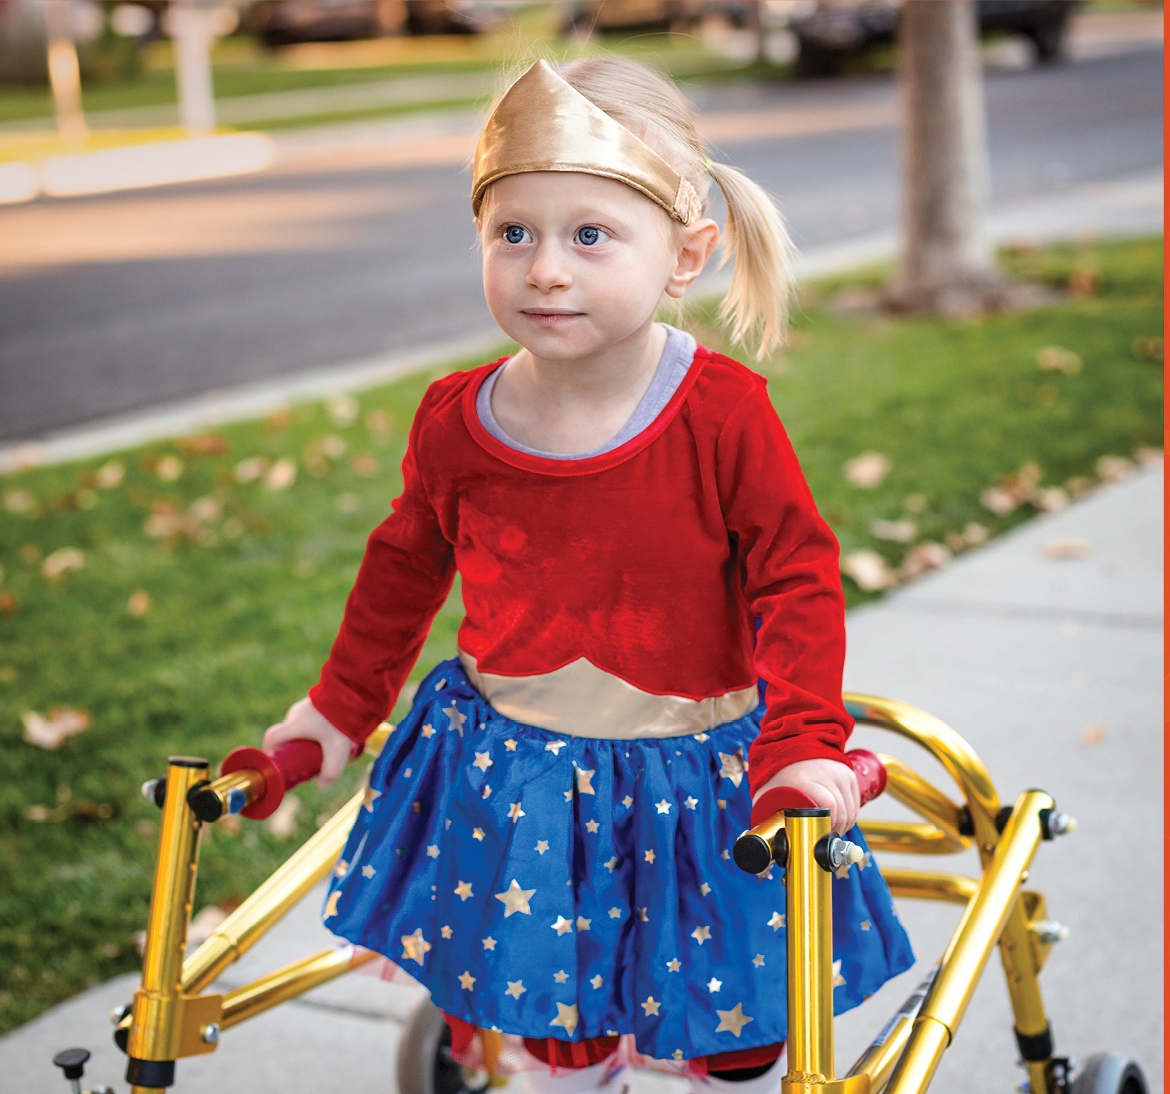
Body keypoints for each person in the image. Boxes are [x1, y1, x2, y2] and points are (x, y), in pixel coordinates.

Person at [263, 55, 914, 1094]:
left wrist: (800, 742)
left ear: (684, 257)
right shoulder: (456, 419)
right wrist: (337, 710)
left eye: (589, 235)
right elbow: (403, 568)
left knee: (733, 1025)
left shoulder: (720, 413)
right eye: (512, 232)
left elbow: (796, 576)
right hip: (521, 777)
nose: (545, 269)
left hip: (692, 774)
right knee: (556, 1018)